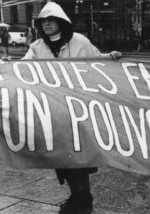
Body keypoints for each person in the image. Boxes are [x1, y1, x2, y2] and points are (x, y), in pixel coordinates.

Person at [22, 2, 121, 214]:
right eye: (43, 22)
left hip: (77, 111)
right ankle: (81, 197)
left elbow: (96, 60)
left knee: (79, 157)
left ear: (61, 22)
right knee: (61, 156)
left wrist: (110, 57)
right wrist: (5, 66)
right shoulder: (36, 47)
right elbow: (22, 69)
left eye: (50, 20)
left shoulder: (80, 41)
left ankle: (81, 199)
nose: (46, 24)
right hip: (52, 113)